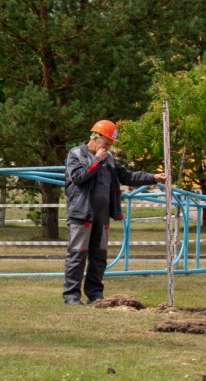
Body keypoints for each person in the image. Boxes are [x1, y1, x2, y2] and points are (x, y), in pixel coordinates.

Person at [62, 120, 164, 305]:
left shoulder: (109, 159)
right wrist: (97, 160)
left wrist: (152, 177)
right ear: (95, 137)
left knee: (99, 257)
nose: (108, 148)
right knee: (77, 255)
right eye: (106, 143)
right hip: (81, 215)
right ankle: (71, 296)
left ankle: (95, 295)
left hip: (102, 217)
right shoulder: (76, 154)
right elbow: (78, 177)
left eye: (110, 145)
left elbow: (127, 176)